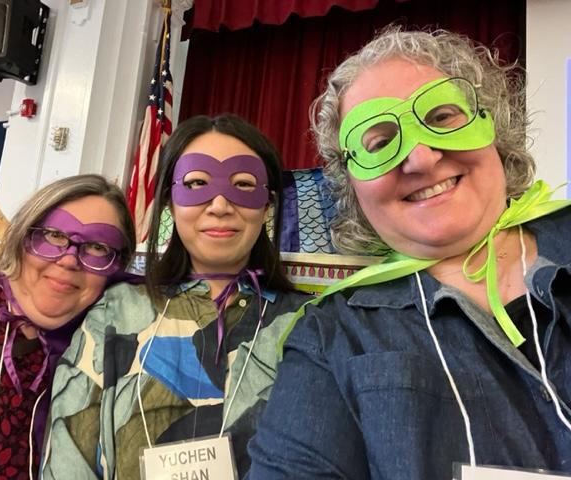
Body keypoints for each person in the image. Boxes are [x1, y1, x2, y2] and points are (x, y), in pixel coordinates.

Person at [247, 26, 571, 479]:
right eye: (379, 144)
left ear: (493, 127)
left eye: (441, 117)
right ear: (351, 183)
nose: (420, 159)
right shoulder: (332, 339)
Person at [41, 114, 309, 479]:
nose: (219, 205)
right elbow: (70, 453)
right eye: (197, 183)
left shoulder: (307, 323)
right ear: (169, 201)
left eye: (243, 185)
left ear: (267, 206)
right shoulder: (117, 312)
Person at [0, 174, 137, 479]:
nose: (69, 261)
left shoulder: (99, 357)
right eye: (54, 235)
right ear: (23, 236)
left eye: (96, 246)